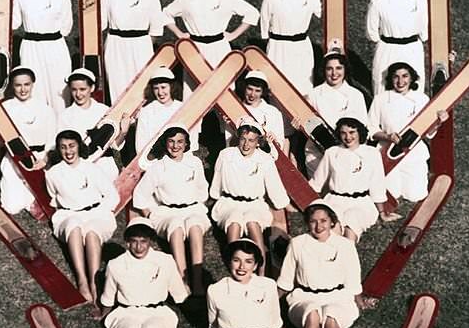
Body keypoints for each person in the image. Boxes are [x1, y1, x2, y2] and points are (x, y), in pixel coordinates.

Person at [277, 201, 364, 328]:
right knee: (312, 312)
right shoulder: (297, 244)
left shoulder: (345, 245)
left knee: (332, 315)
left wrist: (359, 299)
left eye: (323, 220)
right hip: (304, 297)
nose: (319, 226)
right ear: (307, 223)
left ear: (332, 222)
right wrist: (269, 304)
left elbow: (353, 278)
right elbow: (285, 280)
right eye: (313, 221)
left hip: (338, 297)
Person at [132, 126, 210, 295]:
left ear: (186, 144)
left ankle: (197, 281)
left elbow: (202, 188)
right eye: (171, 142)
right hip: (167, 213)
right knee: (176, 227)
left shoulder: (194, 163)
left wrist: (196, 203)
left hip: (192, 209)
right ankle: (183, 280)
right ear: (165, 143)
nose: (175, 146)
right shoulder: (158, 167)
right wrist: (150, 214)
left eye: (180, 142)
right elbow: (140, 194)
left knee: (195, 226)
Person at [45, 130, 118, 303]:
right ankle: (82, 280)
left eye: (72, 146)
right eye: (63, 147)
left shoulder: (92, 168)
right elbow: (55, 198)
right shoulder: (53, 173)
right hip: (69, 213)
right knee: (73, 226)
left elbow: (112, 195)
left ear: (79, 146)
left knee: (92, 231)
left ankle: (93, 282)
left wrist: (102, 211)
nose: (68, 151)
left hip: (96, 213)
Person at [0, 66, 56, 219]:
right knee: (12, 207)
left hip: (40, 158)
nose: (22, 89)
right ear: (12, 86)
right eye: (18, 85)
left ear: (33, 84)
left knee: (49, 198)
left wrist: (45, 160)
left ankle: (34, 195)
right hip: (15, 158)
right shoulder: (5, 108)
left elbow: (52, 140)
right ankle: (29, 197)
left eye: (26, 84)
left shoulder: (45, 109)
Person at [209, 120, 289, 268]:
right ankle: (233, 265)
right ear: (238, 138)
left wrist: (280, 203)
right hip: (229, 203)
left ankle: (261, 271)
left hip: (254, 204)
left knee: (254, 224)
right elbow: (217, 181)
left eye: (251, 140)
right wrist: (214, 195)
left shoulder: (264, 159)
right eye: (243, 139)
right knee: (234, 223)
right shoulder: (226, 155)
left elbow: (274, 186)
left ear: (258, 142)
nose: (246, 145)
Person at [162, 0, 259, 76]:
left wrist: (233, 35)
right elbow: (165, 14)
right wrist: (179, 34)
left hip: (220, 49)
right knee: (196, 88)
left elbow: (252, 13)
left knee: (223, 85)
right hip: (194, 50)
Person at [368, 62, 446, 204]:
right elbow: (371, 128)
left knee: (416, 195)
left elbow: (429, 133)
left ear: (411, 79)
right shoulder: (381, 99)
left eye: (405, 76)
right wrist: (387, 136)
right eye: (396, 77)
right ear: (390, 79)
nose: (400, 81)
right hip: (388, 152)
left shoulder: (422, 99)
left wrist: (438, 123)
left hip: (414, 153)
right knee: (392, 193)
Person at [96, 0, 163, 103]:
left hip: (141, 45)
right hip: (115, 45)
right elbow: (100, 23)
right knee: (117, 89)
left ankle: (141, 126)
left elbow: (156, 28)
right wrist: (86, 2)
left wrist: (142, 44)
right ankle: (119, 126)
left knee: (141, 90)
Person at [11, 0, 73, 112]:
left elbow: (66, 27)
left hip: (55, 47)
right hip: (30, 47)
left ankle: (62, 134)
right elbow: (13, 22)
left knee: (59, 91)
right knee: (34, 91)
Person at [310, 117, 388, 241]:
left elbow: (377, 184)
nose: (348, 137)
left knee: (352, 222)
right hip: (335, 200)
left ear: (359, 133)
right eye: (343, 133)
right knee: (332, 228)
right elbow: (316, 183)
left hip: (361, 202)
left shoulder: (371, 153)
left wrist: (382, 212)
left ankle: (348, 255)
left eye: (352, 132)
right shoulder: (332, 152)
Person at [259, 0, 322, 96]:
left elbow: (326, 14)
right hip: (277, 48)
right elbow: (264, 27)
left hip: (301, 48)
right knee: (276, 90)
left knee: (304, 90)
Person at [365, 0, 428, 95]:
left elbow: (424, 29)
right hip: (387, 50)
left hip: (412, 50)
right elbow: (372, 33)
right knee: (383, 91)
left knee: (414, 91)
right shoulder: (378, 1)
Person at [57, 67, 125, 183]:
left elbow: (115, 145)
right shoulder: (65, 116)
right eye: (74, 90)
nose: (78, 94)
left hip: (105, 166)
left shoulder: (105, 111)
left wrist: (123, 132)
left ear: (92, 88)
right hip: (79, 168)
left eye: (83, 89)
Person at [305, 51, 368, 174]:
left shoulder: (356, 95)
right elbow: (308, 123)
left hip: (349, 153)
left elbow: (363, 127)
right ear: (324, 70)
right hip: (317, 153)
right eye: (329, 69)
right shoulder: (313, 94)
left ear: (345, 70)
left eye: (339, 68)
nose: (334, 73)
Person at [134, 66, 198, 155]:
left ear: (171, 87)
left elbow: (191, 140)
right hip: (155, 161)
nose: (160, 92)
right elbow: (140, 144)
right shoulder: (146, 111)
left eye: (163, 87)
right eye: (156, 88)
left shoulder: (182, 108)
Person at [224, 69, 286, 153]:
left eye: (257, 91)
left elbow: (280, 146)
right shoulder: (234, 111)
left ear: (263, 92)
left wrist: (272, 141)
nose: (252, 94)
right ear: (244, 88)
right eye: (250, 89)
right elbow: (229, 145)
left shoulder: (274, 112)